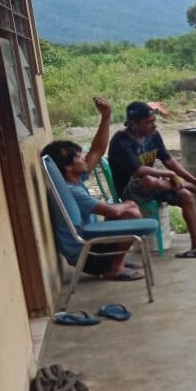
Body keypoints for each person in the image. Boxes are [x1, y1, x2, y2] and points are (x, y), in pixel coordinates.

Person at [41, 97, 146, 281]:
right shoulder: (72, 190)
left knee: (127, 208)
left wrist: (106, 116)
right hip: (87, 254)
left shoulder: (73, 179)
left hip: (90, 242)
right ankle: (114, 267)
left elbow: (97, 151)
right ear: (68, 167)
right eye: (80, 157)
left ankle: (116, 260)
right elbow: (113, 210)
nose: (85, 158)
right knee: (131, 214)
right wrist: (128, 206)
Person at [107, 101, 196, 259]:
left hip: (157, 186)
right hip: (130, 192)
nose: (154, 126)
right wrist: (173, 177)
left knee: (185, 196)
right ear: (133, 124)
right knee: (147, 179)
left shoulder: (153, 135)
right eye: (148, 123)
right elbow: (139, 171)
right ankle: (189, 187)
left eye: (154, 121)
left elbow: (169, 161)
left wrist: (194, 179)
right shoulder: (120, 142)